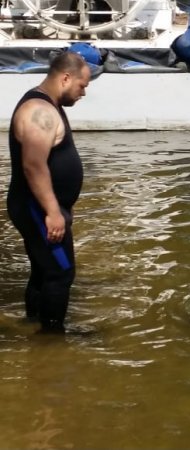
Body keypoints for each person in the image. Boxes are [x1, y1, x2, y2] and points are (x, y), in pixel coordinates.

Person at [6, 51, 91, 332]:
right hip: (37, 207)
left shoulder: (48, 105)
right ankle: (53, 338)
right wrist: (54, 211)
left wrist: (63, 207)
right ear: (66, 78)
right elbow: (33, 166)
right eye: (82, 85)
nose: (83, 93)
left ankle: (34, 324)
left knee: (44, 269)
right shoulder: (39, 111)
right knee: (61, 272)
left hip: (41, 206)